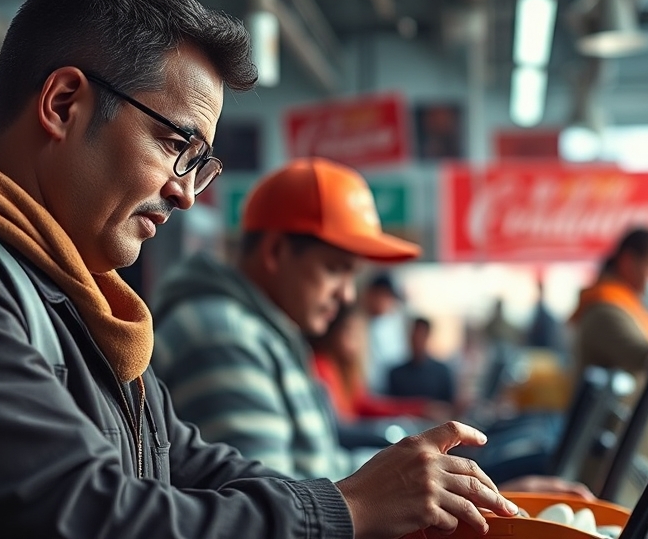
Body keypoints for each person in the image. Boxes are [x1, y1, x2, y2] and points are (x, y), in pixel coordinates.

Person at [0, 0, 523, 537]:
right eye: (175, 145)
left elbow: (185, 462)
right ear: (64, 103)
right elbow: (80, 515)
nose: (187, 193)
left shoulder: (68, 292)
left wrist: (403, 496)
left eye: (201, 163)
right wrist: (345, 510)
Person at [153, 157, 594, 500]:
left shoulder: (263, 334)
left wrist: (462, 489)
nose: (348, 296)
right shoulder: (223, 335)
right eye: (335, 269)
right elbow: (265, 511)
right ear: (275, 252)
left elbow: (315, 473)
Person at [569, 227, 648, 486]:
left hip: (638, 455)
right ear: (629, 263)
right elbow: (645, 358)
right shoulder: (605, 310)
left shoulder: (641, 310)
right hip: (618, 462)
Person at [311, 305, 450, 425]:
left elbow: (367, 406)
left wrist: (421, 409)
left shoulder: (346, 371)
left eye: (360, 333)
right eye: (350, 331)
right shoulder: (321, 365)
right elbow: (339, 427)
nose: (357, 340)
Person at [388, 317, 458, 405]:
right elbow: (391, 405)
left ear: (428, 336)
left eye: (421, 335)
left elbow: (449, 405)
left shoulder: (442, 372)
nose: (417, 339)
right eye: (414, 335)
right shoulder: (396, 374)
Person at [361, 271, 411, 394]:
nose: (387, 302)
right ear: (371, 294)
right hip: (365, 391)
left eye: (390, 297)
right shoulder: (357, 323)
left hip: (390, 390)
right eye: (384, 296)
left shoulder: (394, 326)